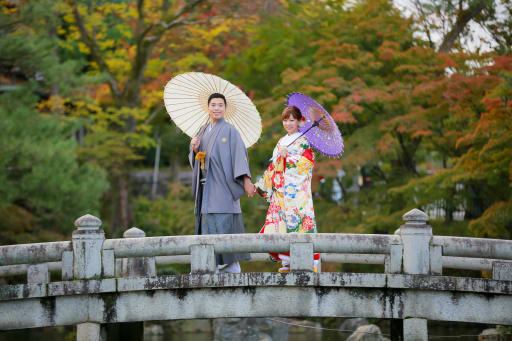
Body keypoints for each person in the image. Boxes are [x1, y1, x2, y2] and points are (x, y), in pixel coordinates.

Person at [189, 93, 255, 273]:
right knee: (207, 223)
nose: (217, 108)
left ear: (225, 109)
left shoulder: (230, 130)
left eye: (220, 105)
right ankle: (211, 264)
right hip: (205, 185)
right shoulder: (201, 131)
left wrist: (247, 181)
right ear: (207, 108)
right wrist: (195, 149)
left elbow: (240, 156)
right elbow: (195, 159)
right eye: (213, 105)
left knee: (223, 221)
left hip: (223, 185)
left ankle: (231, 264)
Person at [255, 105, 320, 273]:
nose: (288, 123)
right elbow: (274, 166)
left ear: (299, 121)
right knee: (278, 226)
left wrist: (288, 157)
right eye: (285, 120)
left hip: (296, 193)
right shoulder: (281, 141)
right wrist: (261, 184)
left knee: (298, 224)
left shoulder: (304, 141)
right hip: (280, 192)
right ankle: (286, 261)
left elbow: (306, 164)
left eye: (292, 120)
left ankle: (305, 260)